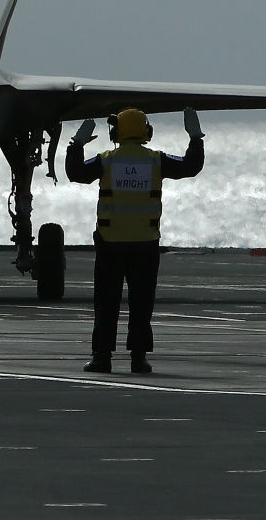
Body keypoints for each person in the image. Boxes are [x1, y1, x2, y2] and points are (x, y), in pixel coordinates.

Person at [65, 107, 205, 374]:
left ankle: (101, 358)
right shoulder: (156, 161)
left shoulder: (106, 160)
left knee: (106, 303)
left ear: (116, 132)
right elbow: (191, 166)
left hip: (110, 243)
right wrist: (195, 138)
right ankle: (138, 359)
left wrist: (76, 144)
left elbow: (75, 173)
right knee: (142, 304)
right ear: (146, 132)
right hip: (145, 243)